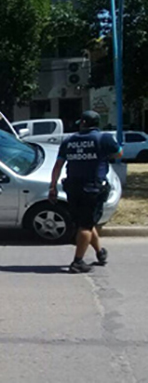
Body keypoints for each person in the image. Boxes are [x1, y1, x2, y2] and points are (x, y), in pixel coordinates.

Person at [49, 110, 123, 274]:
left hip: (72, 188)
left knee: (86, 223)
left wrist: (52, 187)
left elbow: (58, 166)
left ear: (82, 123)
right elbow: (119, 153)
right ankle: (77, 262)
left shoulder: (69, 141)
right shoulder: (104, 138)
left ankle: (99, 253)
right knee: (86, 225)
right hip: (92, 188)